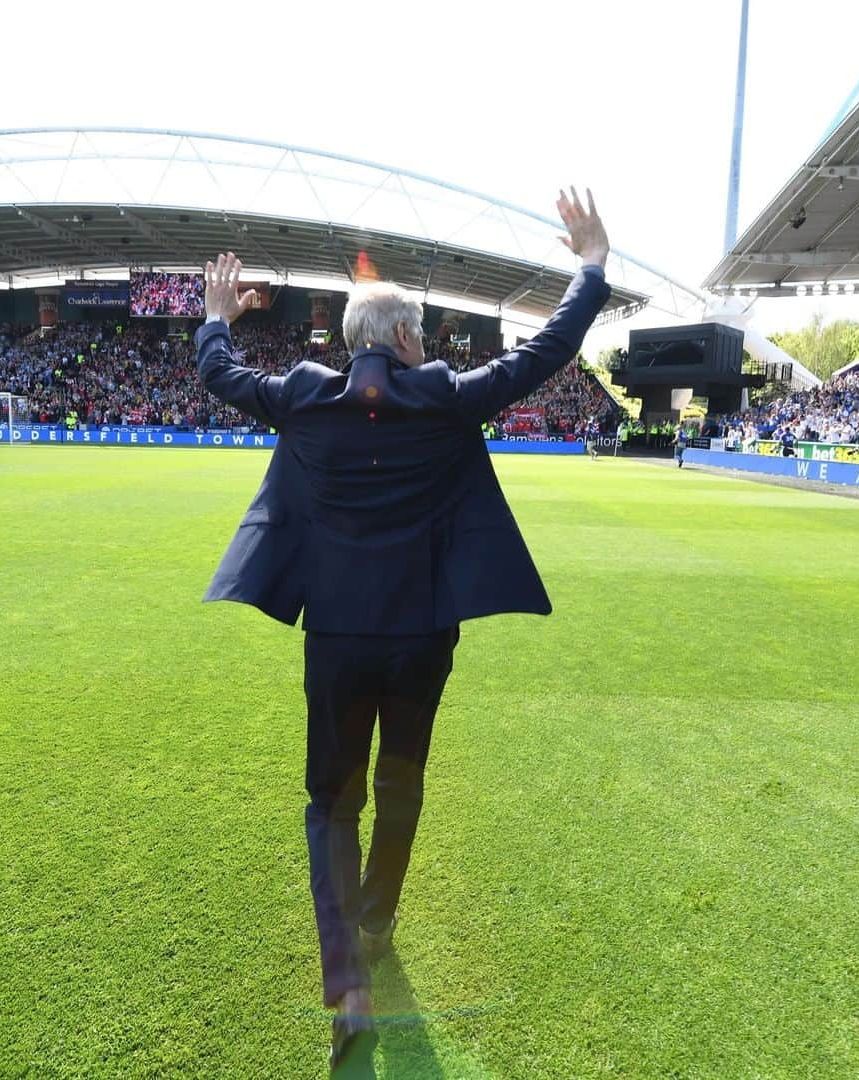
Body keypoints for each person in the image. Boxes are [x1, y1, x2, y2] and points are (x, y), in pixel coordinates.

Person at [194, 188, 611, 1076]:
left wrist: (216, 318)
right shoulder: (449, 398)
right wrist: (591, 268)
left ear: (352, 344)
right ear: (409, 340)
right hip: (422, 636)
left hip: (337, 639)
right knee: (402, 777)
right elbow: (546, 352)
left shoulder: (304, 398)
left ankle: (347, 986)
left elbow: (219, 376)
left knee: (329, 804)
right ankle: (378, 917)